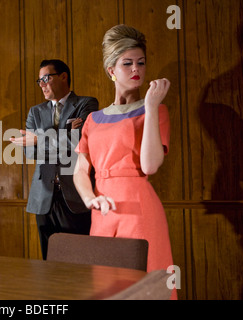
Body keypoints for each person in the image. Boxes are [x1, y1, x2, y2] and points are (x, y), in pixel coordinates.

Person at [73, 25, 175, 278]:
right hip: (103, 210)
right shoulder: (93, 119)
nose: (136, 70)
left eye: (141, 63)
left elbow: (150, 166)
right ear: (111, 71)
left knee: (140, 282)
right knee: (105, 283)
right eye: (127, 63)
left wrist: (151, 107)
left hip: (138, 209)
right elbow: (80, 171)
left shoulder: (156, 111)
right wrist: (90, 199)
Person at [10, 59, 98, 259]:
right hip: (44, 197)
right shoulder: (35, 112)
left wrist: (39, 139)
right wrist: (67, 134)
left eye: (46, 78)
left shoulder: (87, 103)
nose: (41, 84)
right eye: (39, 80)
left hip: (76, 195)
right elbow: (31, 153)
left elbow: (80, 143)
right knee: (49, 259)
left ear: (63, 76)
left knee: (80, 259)